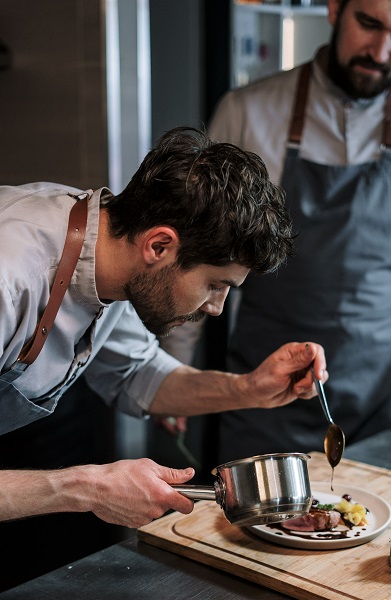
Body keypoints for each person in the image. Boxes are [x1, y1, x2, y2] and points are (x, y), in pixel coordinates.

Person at [0, 126, 327, 528]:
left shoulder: (111, 246)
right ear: (159, 246)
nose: (216, 308)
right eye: (215, 285)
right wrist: (86, 488)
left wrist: (249, 389)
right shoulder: (10, 279)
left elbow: (137, 375)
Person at [161, 0, 391, 464]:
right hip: (265, 391)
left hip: (385, 395)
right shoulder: (247, 112)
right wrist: (173, 371)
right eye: (368, 24)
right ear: (334, 9)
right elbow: (198, 249)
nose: (381, 50)